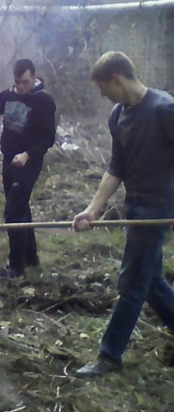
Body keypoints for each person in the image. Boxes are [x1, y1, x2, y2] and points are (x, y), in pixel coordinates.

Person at [72, 51, 174, 378]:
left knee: (131, 283)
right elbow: (116, 168)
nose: (103, 96)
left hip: (158, 209)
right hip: (135, 208)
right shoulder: (118, 116)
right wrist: (92, 209)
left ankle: (109, 355)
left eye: (104, 88)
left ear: (117, 79)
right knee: (152, 281)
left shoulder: (164, 109)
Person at [0, 59, 56, 277]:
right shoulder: (8, 95)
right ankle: (31, 257)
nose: (21, 87)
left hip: (29, 161)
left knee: (13, 211)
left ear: (34, 77)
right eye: (18, 82)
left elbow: (47, 138)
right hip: (9, 159)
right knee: (21, 208)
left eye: (25, 82)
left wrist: (28, 154)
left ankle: (16, 266)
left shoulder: (43, 101)